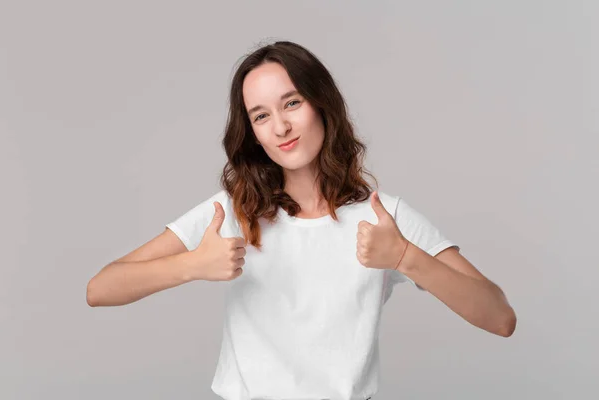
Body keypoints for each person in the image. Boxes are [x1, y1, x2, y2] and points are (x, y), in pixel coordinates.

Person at [87, 40, 516, 400]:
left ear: (321, 103)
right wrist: (190, 266)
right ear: (252, 132)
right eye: (261, 115)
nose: (281, 126)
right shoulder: (233, 211)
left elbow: (500, 317)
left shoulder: (386, 218)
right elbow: (100, 288)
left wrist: (405, 256)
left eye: (291, 102)